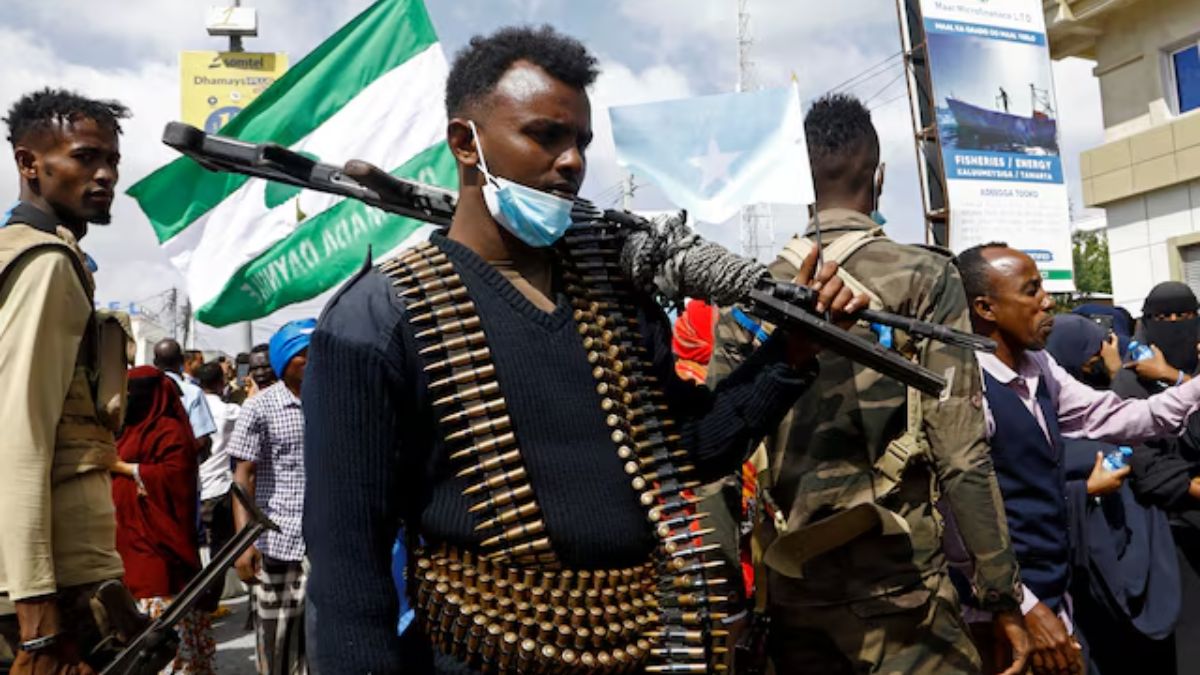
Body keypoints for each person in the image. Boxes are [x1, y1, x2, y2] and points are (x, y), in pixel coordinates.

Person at [303, 26, 860, 674]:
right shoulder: (378, 320)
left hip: (640, 651)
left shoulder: (612, 294)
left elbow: (685, 450)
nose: (572, 161)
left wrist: (787, 355)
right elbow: (348, 574)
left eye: (581, 143)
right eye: (545, 135)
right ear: (466, 143)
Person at [708, 93, 1027, 675]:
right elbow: (961, 454)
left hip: (793, 595)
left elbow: (714, 466)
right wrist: (1002, 595)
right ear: (878, 177)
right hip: (905, 600)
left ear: (802, 180)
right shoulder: (926, 277)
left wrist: (727, 605)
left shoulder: (749, 297)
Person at [956, 243, 1200, 675]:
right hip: (1002, 616)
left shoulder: (1039, 368)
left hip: (1055, 595)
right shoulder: (966, 390)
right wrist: (1024, 607)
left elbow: (1123, 416)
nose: (1047, 301)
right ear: (985, 307)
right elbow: (960, 524)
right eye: (1031, 291)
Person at [0, 88, 142, 673]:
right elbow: (19, 436)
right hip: (53, 585)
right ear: (29, 163)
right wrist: (37, 619)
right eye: (85, 158)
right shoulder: (45, 265)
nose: (105, 174)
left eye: (111, 161)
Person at [1045, 314, 1179, 675]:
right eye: (1090, 360)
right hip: (1082, 580)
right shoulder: (1041, 423)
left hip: (1130, 555)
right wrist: (1086, 491)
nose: (1096, 367)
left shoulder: (1108, 407)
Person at [111, 366, 214, 674]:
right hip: (129, 537)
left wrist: (122, 468)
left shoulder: (170, 430)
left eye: (137, 391)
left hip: (161, 544)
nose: (131, 398)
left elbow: (174, 477)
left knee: (162, 612)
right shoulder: (128, 428)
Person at [229, 319, 315, 675]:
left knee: (318, 643)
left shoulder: (331, 401)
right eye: (303, 355)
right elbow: (242, 476)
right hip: (277, 543)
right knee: (276, 641)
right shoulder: (260, 407)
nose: (313, 360)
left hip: (323, 543)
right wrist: (243, 545)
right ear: (284, 361)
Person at [196, 362, 240, 609]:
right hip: (219, 488)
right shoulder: (230, 411)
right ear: (220, 382)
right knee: (220, 549)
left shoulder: (189, 407)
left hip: (196, 486)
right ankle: (210, 602)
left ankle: (204, 600)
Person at [154, 339, 217, 458]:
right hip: (182, 466)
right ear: (182, 360)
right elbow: (200, 438)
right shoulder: (193, 392)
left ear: (155, 362)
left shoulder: (143, 389)